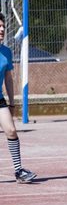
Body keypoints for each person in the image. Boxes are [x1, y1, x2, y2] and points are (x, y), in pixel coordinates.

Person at [0, 13, 36, 183]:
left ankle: (19, 171)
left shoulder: (6, 52)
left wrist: (12, 102)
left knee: (12, 131)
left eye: (3, 27)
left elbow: (8, 78)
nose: (1, 30)